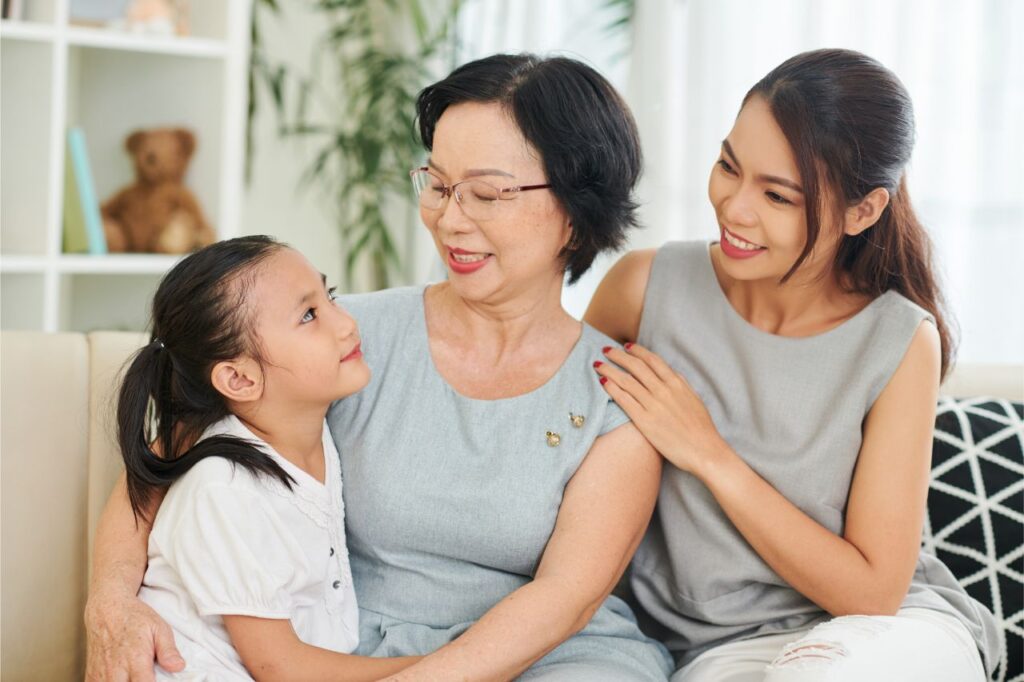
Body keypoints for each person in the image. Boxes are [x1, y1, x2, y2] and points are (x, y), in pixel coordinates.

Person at [84, 54, 674, 681]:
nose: (449, 219)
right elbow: (159, 464)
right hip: (347, 651)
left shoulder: (616, 393)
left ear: (577, 211)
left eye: (487, 193)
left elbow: (568, 597)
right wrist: (112, 600)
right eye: (439, 185)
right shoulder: (340, 341)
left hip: (550, 657)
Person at [585, 48, 1000, 681]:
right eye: (729, 165)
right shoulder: (643, 288)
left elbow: (872, 594)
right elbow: (551, 455)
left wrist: (707, 453)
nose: (734, 208)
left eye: (778, 196)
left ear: (862, 212)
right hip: (718, 652)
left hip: (877, 634)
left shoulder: (898, 339)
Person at [112, 235, 421, 680]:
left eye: (329, 296)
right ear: (239, 379)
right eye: (309, 315)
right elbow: (281, 667)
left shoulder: (306, 429)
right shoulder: (224, 491)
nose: (347, 324)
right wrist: (445, 669)